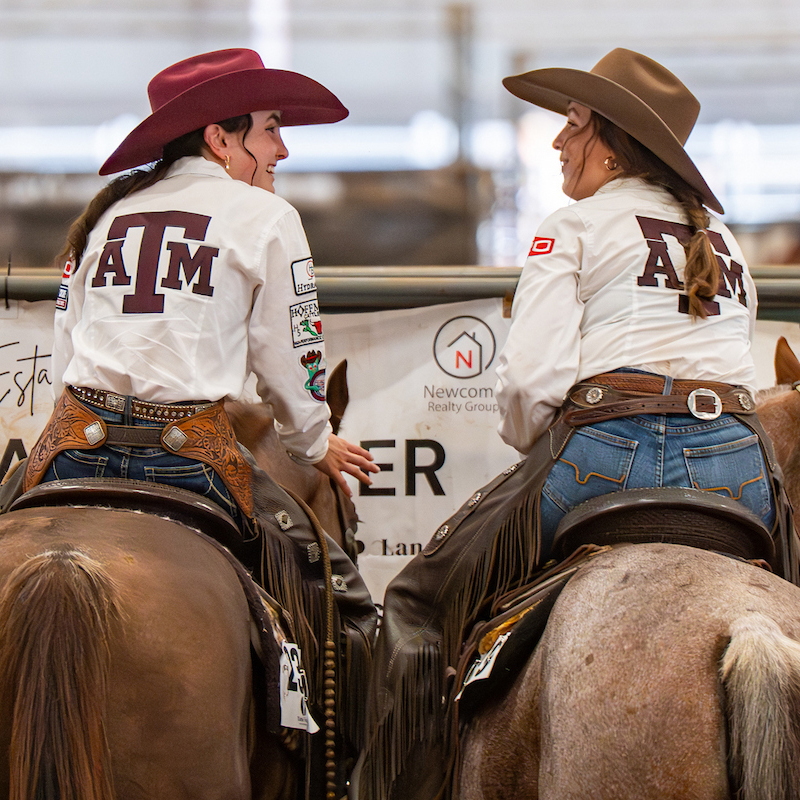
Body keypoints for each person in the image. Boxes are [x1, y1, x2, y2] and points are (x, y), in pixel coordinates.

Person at [355, 48, 799, 800]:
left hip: (604, 458)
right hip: (742, 473)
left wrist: (538, 442)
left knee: (415, 604)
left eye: (572, 123)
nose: (559, 141)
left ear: (610, 140)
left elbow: (530, 388)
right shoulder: (726, 246)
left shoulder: (571, 226)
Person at [21, 48, 378, 533]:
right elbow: (290, 356)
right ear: (219, 138)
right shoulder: (268, 217)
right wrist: (312, 444)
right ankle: (359, 613)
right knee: (315, 572)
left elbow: (66, 353)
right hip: (188, 462)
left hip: (76, 450)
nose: (283, 149)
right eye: (271, 129)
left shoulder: (105, 217)